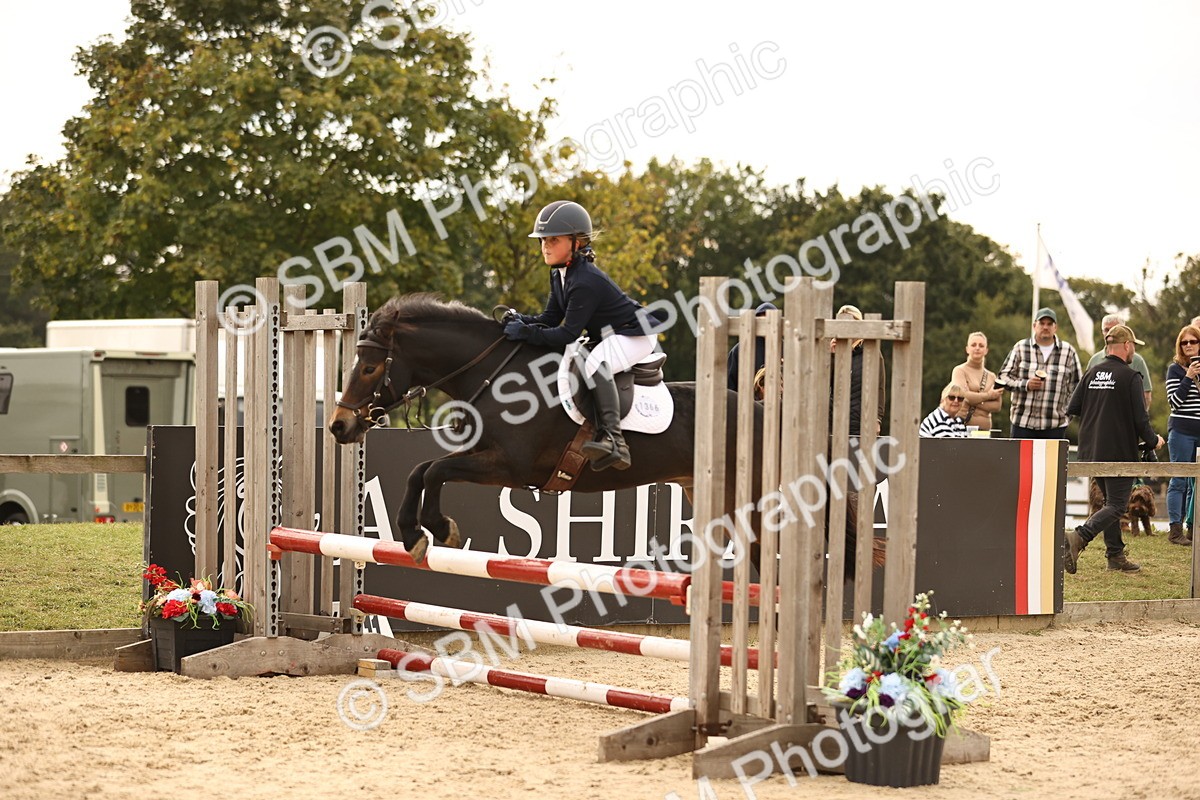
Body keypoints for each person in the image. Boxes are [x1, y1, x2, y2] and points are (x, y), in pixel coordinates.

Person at [503, 200, 662, 471]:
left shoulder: (585, 280)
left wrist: (526, 334)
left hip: (636, 335)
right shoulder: (560, 275)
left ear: (577, 242)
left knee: (595, 362)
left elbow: (566, 334)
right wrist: (520, 319)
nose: (545, 246)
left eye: (553, 239)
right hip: (612, 334)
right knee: (588, 356)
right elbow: (549, 319)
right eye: (543, 240)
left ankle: (615, 440)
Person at [1063, 325, 1163, 574]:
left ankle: (1115, 556)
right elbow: (1141, 420)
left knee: (1109, 503)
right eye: (1133, 347)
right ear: (1127, 345)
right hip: (1118, 451)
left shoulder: (1092, 373)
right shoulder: (1130, 377)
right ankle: (1078, 537)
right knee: (1118, 506)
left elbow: (1073, 408)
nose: (1134, 353)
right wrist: (1154, 441)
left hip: (1092, 450)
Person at [997, 307, 1082, 439]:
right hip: (1022, 423)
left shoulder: (1069, 352)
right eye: (1042, 323)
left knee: (1052, 461)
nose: (1045, 327)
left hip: (1055, 425)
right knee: (1021, 461)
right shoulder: (1020, 347)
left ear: (1055, 327)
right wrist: (1025, 385)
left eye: (1049, 324)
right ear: (1034, 325)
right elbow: (1002, 377)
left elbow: (1077, 387)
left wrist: (1067, 415)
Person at [1165, 324, 1200, 546]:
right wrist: (1188, 377)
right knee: (1179, 480)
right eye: (1184, 342)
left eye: (1193, 341)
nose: (1188, 346)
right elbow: (1175, 403)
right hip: (1181, 432)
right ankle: (1174, 529)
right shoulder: (1174, 369)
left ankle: (1192, 527)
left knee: (1196, 483)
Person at [829, 304, 887, 437]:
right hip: (835, 420)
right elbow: (827, 385)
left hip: (861, 420)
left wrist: (877, 418)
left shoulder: (872, 351)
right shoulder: (836, 350)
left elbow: (880, 387)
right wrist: (832, 356)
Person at [1087, 314, 1152, 410]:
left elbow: (1146, 395)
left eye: (1114, 329)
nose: (1110, 333)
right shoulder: (1094, 360)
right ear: (1102, 332)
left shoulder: (1136, 360)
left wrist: (1137, 418)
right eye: (1106, 330)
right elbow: (1086, 394)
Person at [952, 331, 1003, 431]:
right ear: (967, 349)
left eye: (981, 345)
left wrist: (972, 399)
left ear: (986, 350)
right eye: (973, 345)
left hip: (985, 430)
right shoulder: (959, 371)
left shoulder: (991, 376)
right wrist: (989, 396)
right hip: (963, 428)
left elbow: (997, 406)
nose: (977, 348)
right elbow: (964, 395)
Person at [727, 302, 778, 391]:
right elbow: (729, 386)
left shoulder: (786, 349)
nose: (765, 325)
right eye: (761, 321)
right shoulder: (739, 351)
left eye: (768, 321)